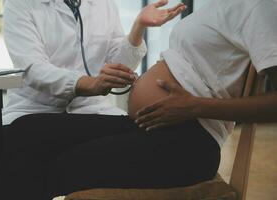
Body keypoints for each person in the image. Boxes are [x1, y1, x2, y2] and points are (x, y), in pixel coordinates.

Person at [48, 0, 277, 198]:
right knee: (32, 130)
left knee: (63, 164)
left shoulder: (259, 6)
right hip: (154, 127)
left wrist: (194, 107)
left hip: (189, 142)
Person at [0, 0, 187, 199]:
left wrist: (138, 27)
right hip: (33, 109)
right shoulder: (20, 5)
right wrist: (89, 84)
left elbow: (118, 66)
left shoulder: (102, 4)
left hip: (92, 112)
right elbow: (33, 69)